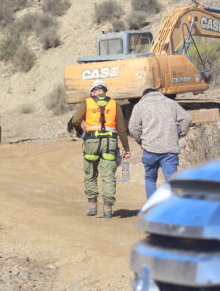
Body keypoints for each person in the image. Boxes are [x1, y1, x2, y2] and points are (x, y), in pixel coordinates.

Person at [69, 80, 131, 218]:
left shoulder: (87, 102)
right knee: (108, 175)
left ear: (92, 92)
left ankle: (92, 207)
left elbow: (75, 121)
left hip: (91, 142)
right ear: (105, 91)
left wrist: (80, 131)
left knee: (90, 173)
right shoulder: (114, 104)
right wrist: (126, 148)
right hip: (110, 142)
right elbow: (121, 128)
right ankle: (108, 209)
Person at [128, 88, 191, 200]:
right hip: (169, 149)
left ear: (143, 96)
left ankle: (153, 209)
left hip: (149, 149)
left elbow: (132, 127)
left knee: (150, 179)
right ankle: (171, 209)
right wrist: (180, 133)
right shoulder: (171, 103)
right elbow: (186, 119)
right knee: (171, 181)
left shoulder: (140, 105)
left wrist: (140, 141)